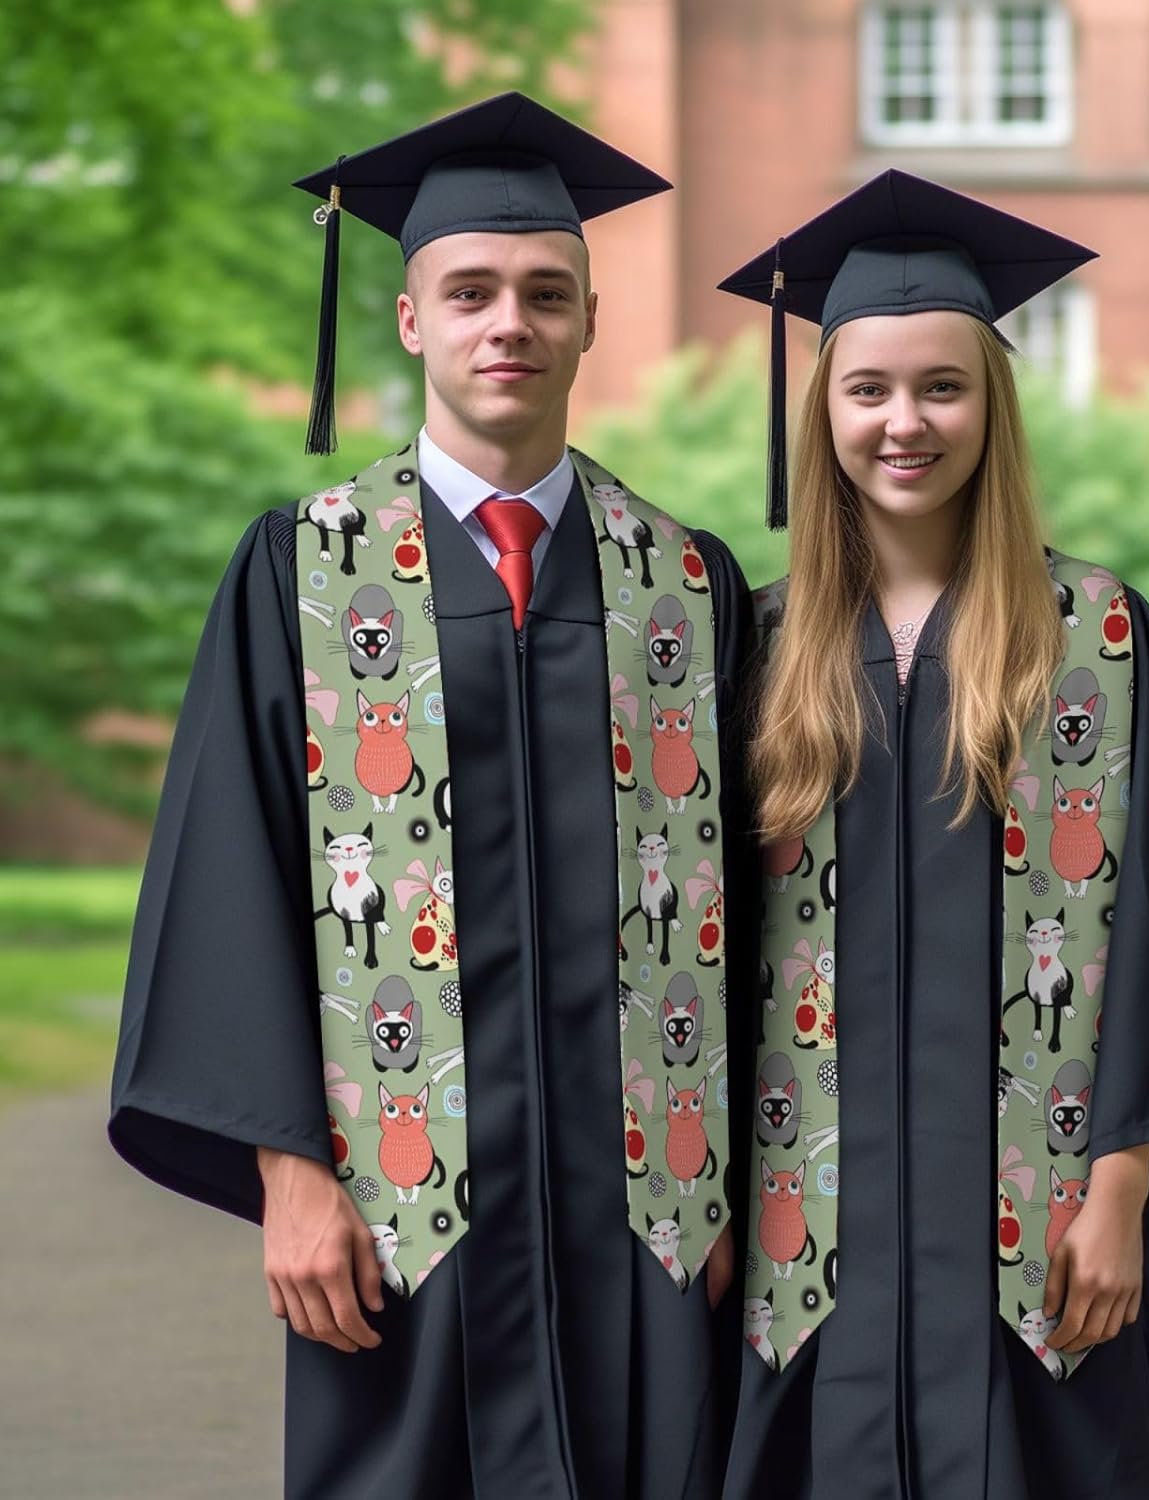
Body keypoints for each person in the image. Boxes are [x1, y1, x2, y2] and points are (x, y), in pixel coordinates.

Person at [109, 92, 752, 1500]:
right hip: (405, 1218)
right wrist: (287, 1173)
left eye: (544, 293)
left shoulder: (686, 585)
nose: (507, 323)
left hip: (648, 1218)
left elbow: (758, 908)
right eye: (470, 293)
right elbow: (230, 876)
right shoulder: (304, 570)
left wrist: (736, 1189)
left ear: (590, 320)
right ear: (411, 320)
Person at [716, 170, 1149, 1499]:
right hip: (803, 1249)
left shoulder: (1091, 637)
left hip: (1041, 1240)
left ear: (993, 408)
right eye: (869, 389)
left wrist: (1121, 1190)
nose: (905, 422)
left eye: (943, 387)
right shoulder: (751, 646)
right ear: (822, 412)